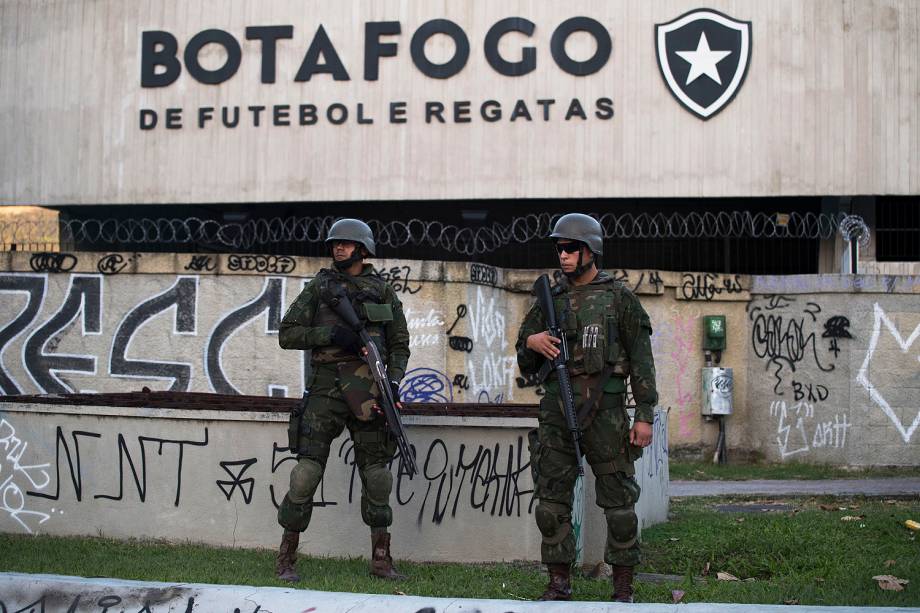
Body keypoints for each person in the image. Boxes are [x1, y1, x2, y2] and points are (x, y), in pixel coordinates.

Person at [515, 213, 658, 603]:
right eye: (559, 248)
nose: (563, 255)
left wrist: (645, 414)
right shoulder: (550, 299)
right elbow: (523, 356)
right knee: (550, 501)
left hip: (607, 412)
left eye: (571, 248)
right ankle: (559, 581)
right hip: (557, 412)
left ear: (590, 251)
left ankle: (623, 585)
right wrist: (533, 342)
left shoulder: (618, 298)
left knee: (619, 502)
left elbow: (642, 360)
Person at [274, 218, 410, 583]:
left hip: (370, 390)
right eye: (335, 243)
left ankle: (381, 558)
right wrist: (330, 333)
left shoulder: (382, 291)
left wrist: (393, 381)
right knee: (305, 474)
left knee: (377, 476)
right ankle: (286, 557)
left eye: (346, 244)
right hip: (326, 388)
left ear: (363, 249)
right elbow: (287, 334)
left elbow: (399, 344)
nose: (338, 248)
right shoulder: (320, 288)